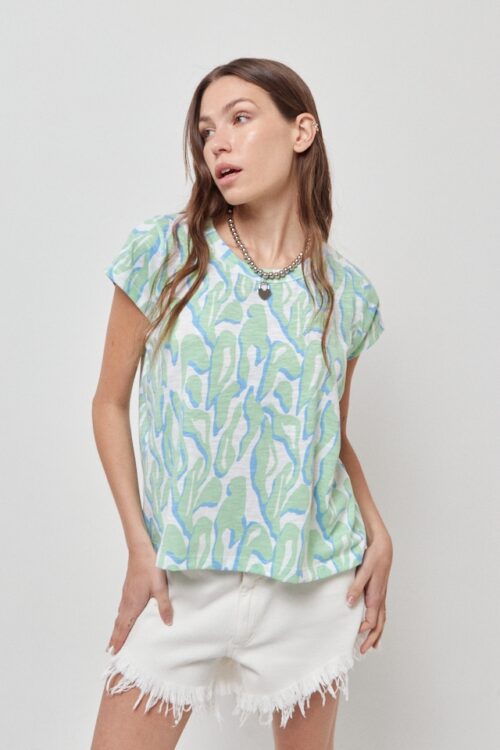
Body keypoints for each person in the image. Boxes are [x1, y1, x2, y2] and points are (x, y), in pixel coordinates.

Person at [90, 57, 393, 750]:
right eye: (205, 132)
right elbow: (108, 403)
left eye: (240, 118)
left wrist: (378, 530)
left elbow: (329, 435)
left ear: (301, 131)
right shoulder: (167, 253)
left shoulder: (347, 294)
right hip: (181, 579)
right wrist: (139, 547)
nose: (217, 144)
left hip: (312, 583)